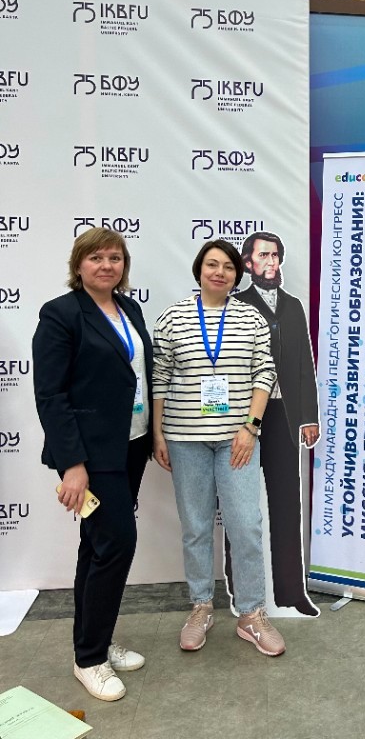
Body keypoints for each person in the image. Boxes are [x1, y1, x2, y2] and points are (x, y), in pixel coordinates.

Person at [32, 229, 153, 702]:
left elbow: (136, 375)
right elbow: (51, 395)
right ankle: (89, 660)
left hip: (131, 444)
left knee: (97, 547)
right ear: (78, 264)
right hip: (91, 456)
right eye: (96, 257)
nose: (107, 265)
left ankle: (95, 641)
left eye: (115, 258)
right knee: (117, 544)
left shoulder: (130, 310)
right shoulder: (61, 314)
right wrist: (73, 465)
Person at [152, 239, 285, 656]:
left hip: (238, 440)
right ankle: (201, 606)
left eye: (228, 267)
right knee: (195, 526)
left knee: (245, 526)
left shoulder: (250, 318)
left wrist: (251, 427)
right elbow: (159, 377)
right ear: (199, 270)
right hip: (184, 438)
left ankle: (251, 614)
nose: (219, 272)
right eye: (212, 265)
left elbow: (265, 372)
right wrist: (158, 433)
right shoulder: (173, 318)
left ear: (237, 275)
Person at [223, 231, 320, 616]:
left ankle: (292, 592)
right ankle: (239, 589)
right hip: (244, 417)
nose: (271, 262)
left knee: (286, 503)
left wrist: (308, 416)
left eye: (275, 255)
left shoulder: (293, 306)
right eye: (263, 255)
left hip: (283, 416)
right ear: (248, 263)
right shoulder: (235, 305)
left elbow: (304, 363)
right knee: (239, 505)